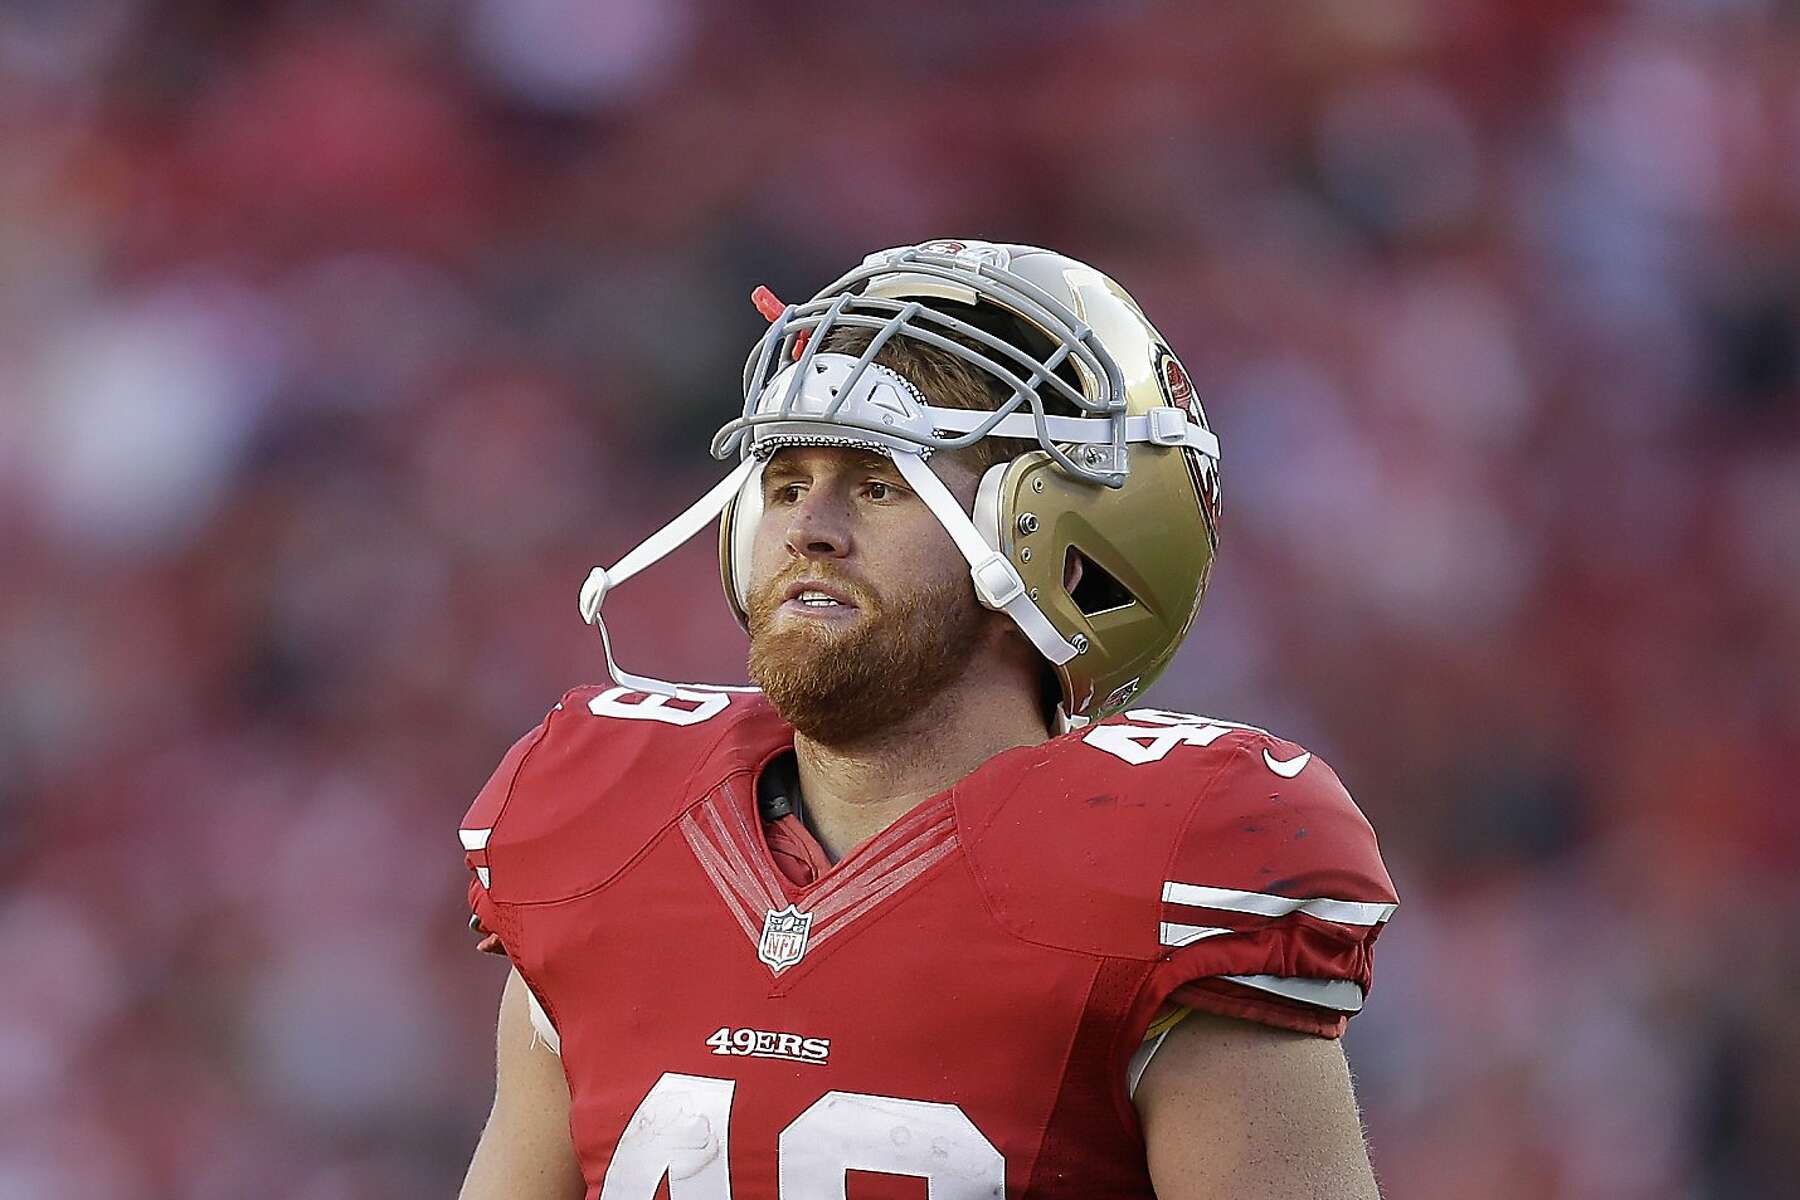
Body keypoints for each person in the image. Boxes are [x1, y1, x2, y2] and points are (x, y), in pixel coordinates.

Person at [456, 240, 1398, 1200]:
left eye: (880, 485)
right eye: (784, 483)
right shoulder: (606, 832)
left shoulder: (1168, 869)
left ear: (1054, 536)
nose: (807, 529)